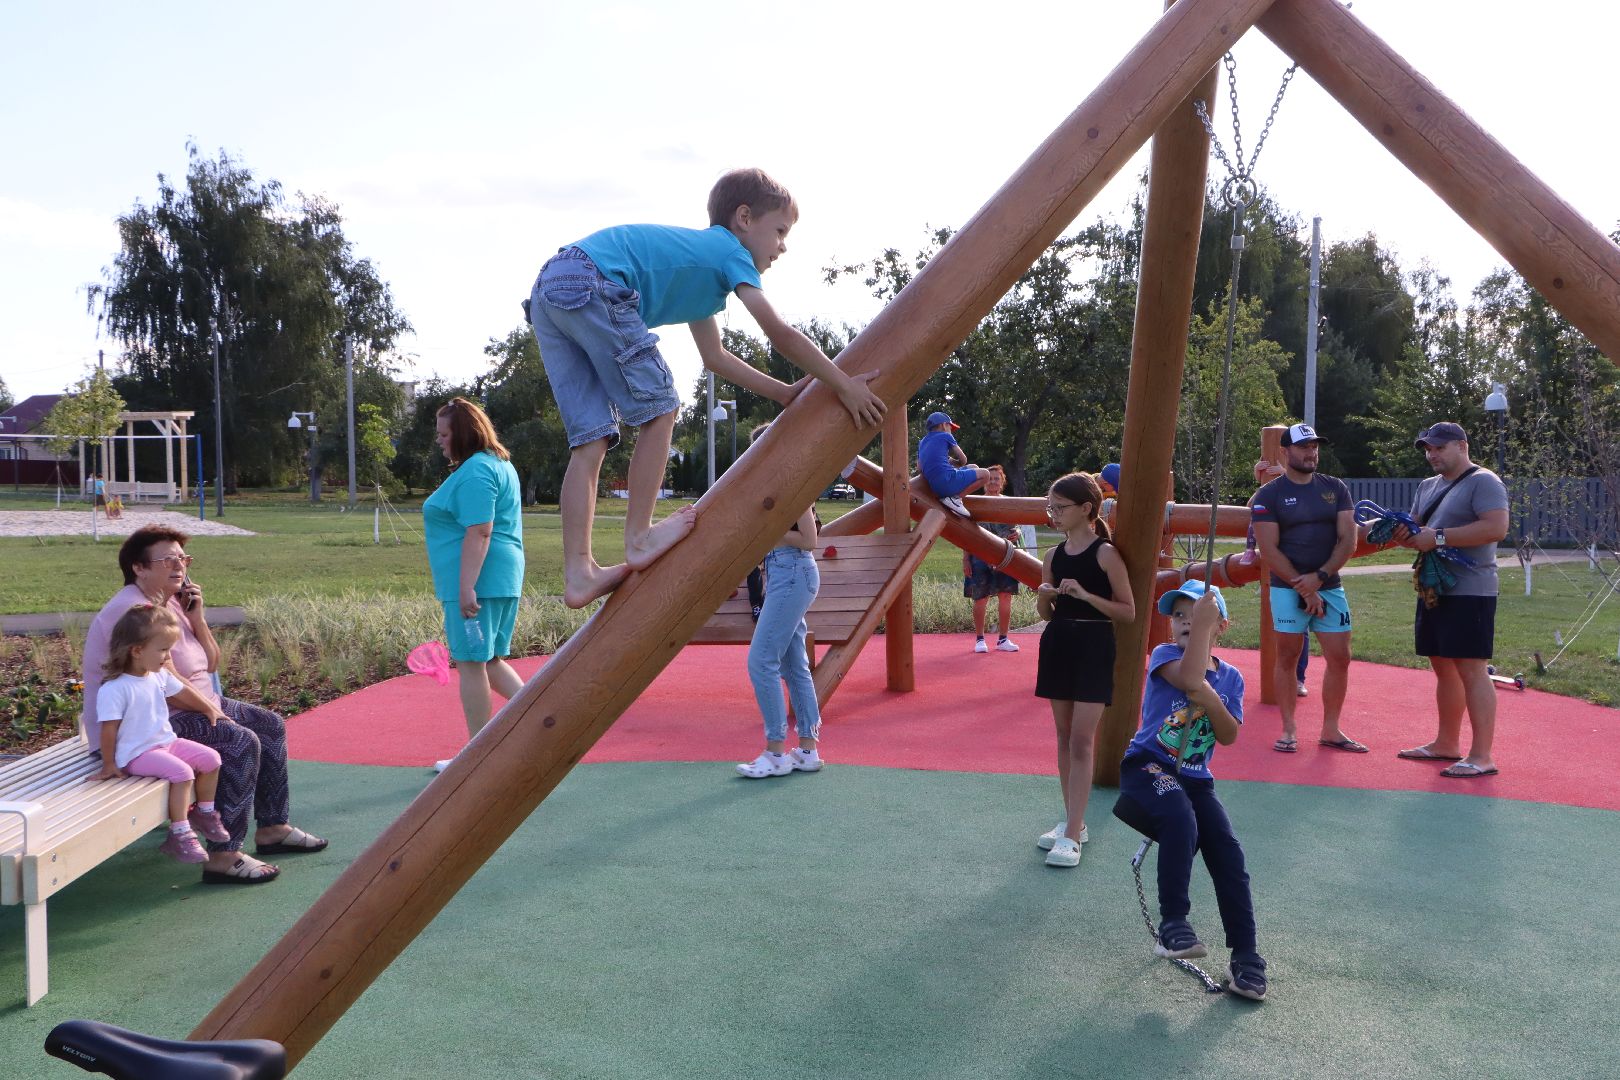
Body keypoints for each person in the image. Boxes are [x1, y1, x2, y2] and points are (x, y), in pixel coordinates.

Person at [527, 167, 885, 609]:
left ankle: (579, 573)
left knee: (591, 440)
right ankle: (638, 537)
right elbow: (778, 331)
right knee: (661, 409)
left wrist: (783, 393)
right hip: (594, 279)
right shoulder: (727, 250)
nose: (783, 246)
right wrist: (843, 384)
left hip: (551, 286)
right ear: (744, 218)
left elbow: (714, 357)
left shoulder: (701, 268)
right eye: (780, 230)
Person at [82, 526, 328, 885]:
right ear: (139, 567)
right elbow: (166, 684)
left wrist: (197, 619)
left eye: (183, 558)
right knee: (240, 741)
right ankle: (224, 854)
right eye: (168, 559)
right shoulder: (135, 613)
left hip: (192, 706)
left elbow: (210, 664)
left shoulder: (171, 603)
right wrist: (212, 711)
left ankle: (273, 827)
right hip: (147, 725)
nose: (179, 565)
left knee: (270, 724)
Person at [1117, 581, 1267, 1001]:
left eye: (1197, 615)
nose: (1186, 621)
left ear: (1222, 625)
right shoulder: (1165, 656)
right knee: (1180, 816)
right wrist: (1198, 644)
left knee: (1228, 851)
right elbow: (1189, 677)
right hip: (1148, 767)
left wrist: (1211, 699)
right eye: (1179, 616)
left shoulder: (1232, 677)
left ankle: (1247, 956)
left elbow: (1229, 733)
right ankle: (1173, 923)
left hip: (1196, 778)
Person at [1391, 422, 1510, 778]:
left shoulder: (1484, 481)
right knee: (1443, 666)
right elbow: (1417, 529)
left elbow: (1496, 528)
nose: (1432, 455)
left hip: (1471, 589)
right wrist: (1399, 532)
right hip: (1434, 588)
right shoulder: (1428, 486)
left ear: (1462, 445)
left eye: (1439, 448)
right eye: (1428, 449)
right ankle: (1446, 743)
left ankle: (1482, 755)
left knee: (1472, 669)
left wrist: (1437, 538)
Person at [1033, 471, 1135, 868]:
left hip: (1094, 645)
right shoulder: (1052, 557)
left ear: (1086, 509)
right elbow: (1045, 614)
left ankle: (1073, 833)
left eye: (1060, 508)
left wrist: (1087, 595)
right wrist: (1045, 596)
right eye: (1050, 507)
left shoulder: (1106, 553)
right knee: (1062, 736)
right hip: (1058, 642)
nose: (1053, 514)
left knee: (1080, 740)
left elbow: (1127, 612)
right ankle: (1073, 822)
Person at [423, 397, 527, 774]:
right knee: (490, 660)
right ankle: (539, 720)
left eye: (445, 434)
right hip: (496, 577)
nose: (440, 441)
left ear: (463, 434)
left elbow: (480, 531)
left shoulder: (478, 471)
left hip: (478, 581)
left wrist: (467, 587)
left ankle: (478, 757)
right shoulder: (498, 465)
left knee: (470, 663)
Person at [1249, 424, 1364, 754]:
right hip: (1287, 589)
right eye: (1303, 447)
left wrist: (1321, 577)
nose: (1311, 452)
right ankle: (1288, 730)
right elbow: (1268, 550)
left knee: (1340, 657)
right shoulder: (1268, 495)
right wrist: (1305, 588)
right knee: (1287, 656)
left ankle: (1331, 730)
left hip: (1329, 585)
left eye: (1314, 446)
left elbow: (1349, 539)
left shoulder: (1335, 488)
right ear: (1285, 453)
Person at [91, 604, 231, 864]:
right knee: (183, 773)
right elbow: (108, 729)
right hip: (136, 754)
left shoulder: (157, 675)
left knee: (212, 759)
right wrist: (109, 764)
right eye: (163, 649)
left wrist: (209, 709)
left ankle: (204, 812)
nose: (168, 657)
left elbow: (183, 692)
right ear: (137, 651)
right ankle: (179, 832)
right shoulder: (116, 688)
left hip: (166, 743)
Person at [736, 422, 825, 779]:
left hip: (794, 572)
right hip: (784, 573)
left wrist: (770, 535)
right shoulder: (774, 484)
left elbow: (809, 539)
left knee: (761, 661)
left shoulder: (793, 481)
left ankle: (775, 752)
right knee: (793, 666)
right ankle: (807, 749)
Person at [1246, 459, 1310, 696]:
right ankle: (1285, 676)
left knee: (1299, 623)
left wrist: (1287, 477)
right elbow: (1253, 506)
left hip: (1301, 563)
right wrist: (1262, 483)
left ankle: (1298, 677)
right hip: (1277, 566)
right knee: (1281, 622)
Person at [963, 465, 1022, 653]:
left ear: (1002, 482)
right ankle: (980, 640)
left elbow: (1017, 527)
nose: (993, 481)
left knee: (1005, 596)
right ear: (983, 482)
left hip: (1006, 556)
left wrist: (1017, 533)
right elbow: (964, 532)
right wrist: (965, 559)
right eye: (990, 478)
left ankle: (1003, 639)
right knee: (980, 597)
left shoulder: (1009, 503)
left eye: (997, 478)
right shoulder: (974, 503)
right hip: (979, 556)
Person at [917, 411, 989, 517]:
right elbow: (963, 460)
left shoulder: (922, 442)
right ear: (943, 425)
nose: (951, 431)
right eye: (950, 427)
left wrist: (948, 461)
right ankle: (956, 499)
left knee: (974, 467)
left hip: (934, 486)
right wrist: (955, 462)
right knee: (985, 474)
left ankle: (952, 498)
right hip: (948, 481)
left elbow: (919, 467)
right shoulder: (946, 436)